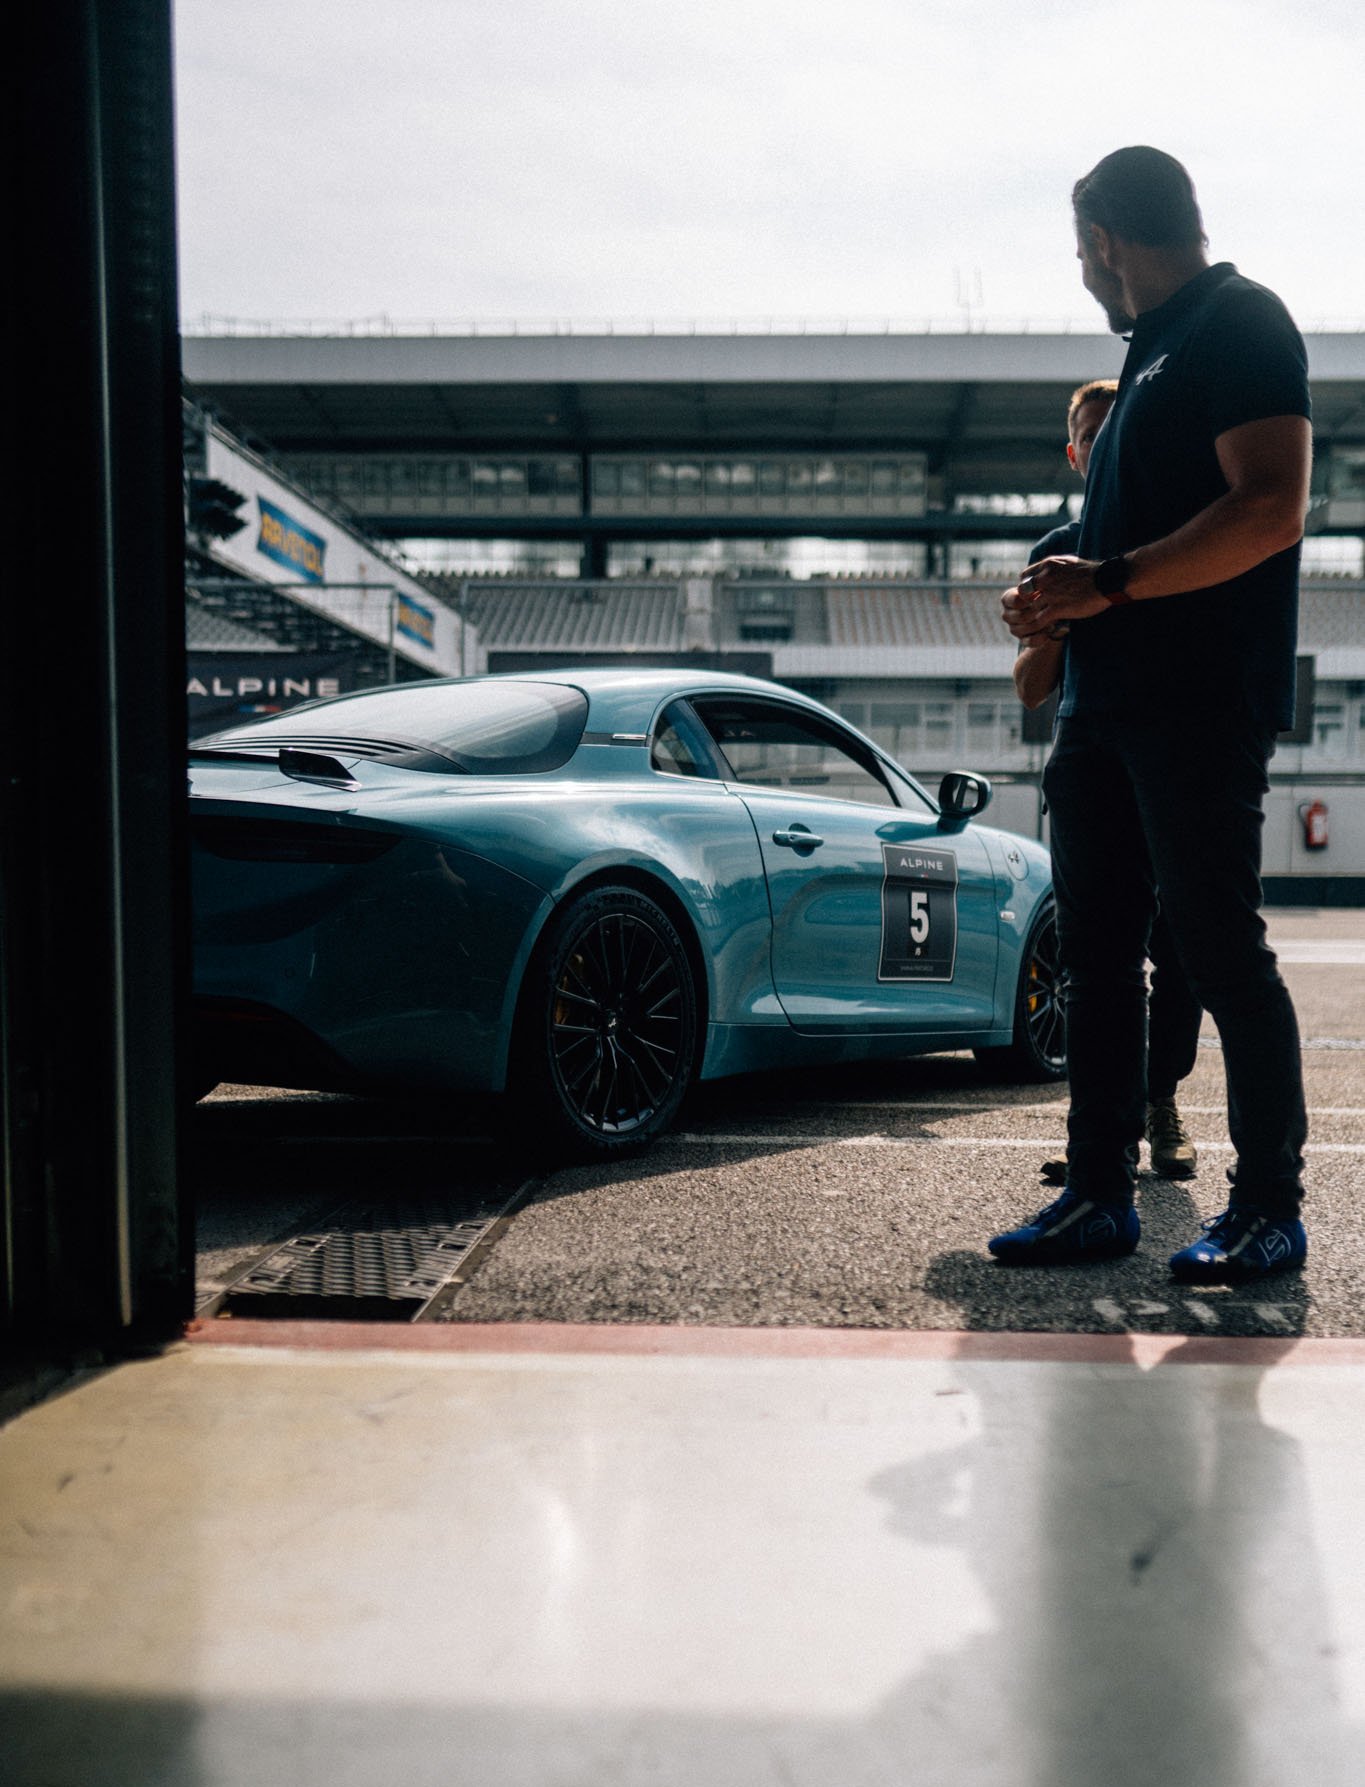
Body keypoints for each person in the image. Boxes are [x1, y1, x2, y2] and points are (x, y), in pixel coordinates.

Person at [988, 146, 1311, 1283]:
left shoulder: (1240, 319)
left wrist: (1107, 579)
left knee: (1220, 949)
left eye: (1082, 250)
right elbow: (1112, 563)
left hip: (1196, 706)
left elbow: (1271, 506)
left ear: (1109, 242)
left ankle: (1271, 1203)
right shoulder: (1141, 366)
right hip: (1103, 712)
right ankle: (1096, 1193)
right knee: (1100, 956)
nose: (1083, 270)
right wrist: (1055, 603)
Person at [1018, 378, 1202, 1187]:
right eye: (1086, 435)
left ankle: (1159, 1099)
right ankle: (1103, 1133)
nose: (1099, 445)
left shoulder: (1177, 541)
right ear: (1072, 452)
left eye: (1112, 430)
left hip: (1174, 757)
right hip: (1085, 759)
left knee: (1182, 953)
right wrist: (1056, 619)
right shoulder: (1053, 549)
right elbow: (1029, 685)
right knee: (1095, 958)